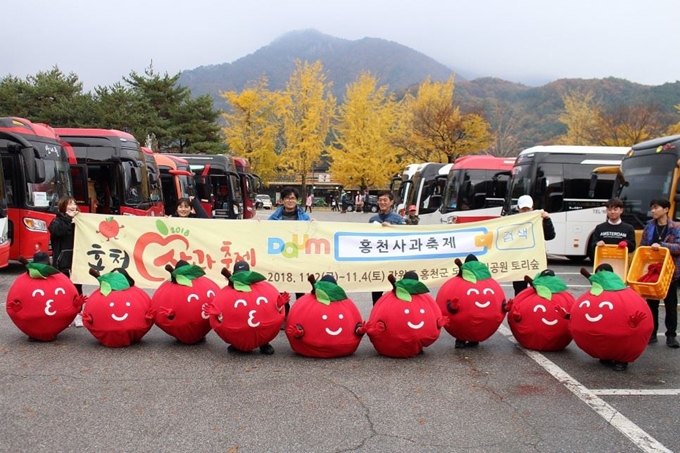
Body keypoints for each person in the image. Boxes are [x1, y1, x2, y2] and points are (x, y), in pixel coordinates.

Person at [640, 198, 680, 348]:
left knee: (670, 304)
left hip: (670, 271)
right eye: (652, 208)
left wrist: (662, 246)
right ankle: (652, 333)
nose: (653, 211)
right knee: (652, 304)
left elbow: (678, 247)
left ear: (666, 209)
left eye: (656, 208)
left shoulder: (676, 226)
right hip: (652, 269)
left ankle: (671, 336)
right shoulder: (649, 226)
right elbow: (642, 246)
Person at [268, 186, 311, 321]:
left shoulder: (304, 217)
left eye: (292, 198)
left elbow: (313, 233)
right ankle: (284, 314)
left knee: (300, 286)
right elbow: (264, 231)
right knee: (282, 286)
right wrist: (259, 225)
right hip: (280, 258)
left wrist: (315, 225)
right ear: (282, 201)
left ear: (296, 200)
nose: (290, 201)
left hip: (298, 257)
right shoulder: (274, 218)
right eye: (287, 198)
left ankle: (300, 314)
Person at [511, 195, 556, 296]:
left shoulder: (539, 219)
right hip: (519, 261)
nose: (526, 211)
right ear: (518, 208)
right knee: (519, 290)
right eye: (523, 209)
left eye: (528, 209)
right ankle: (519, 309)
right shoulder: (511, 221)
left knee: (538, 288)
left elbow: (550, 236)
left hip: (535, 260)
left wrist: (547, 220)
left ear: (532, 207)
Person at [48, 197, 83, 325]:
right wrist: (69, 219)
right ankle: (64, 315)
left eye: (74, 203)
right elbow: (57, 232)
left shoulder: (80, 221)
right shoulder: (57, 221)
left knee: (77, 289)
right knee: (63, 290)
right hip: (62, 261)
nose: (73, 206)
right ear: (63, 207)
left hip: (76, 260)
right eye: (69, 204)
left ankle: (78, 314)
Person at [369, 191, 406, 305]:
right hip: (378, 260)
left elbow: (406, 234)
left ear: (391, 202)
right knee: (376, 292)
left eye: (385, 200)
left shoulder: (399, 219)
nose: (382, 202)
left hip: (393, 260)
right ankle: (376, 314)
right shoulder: (372, 219)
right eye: (380, 200)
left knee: (395, 289)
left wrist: (392, 228)